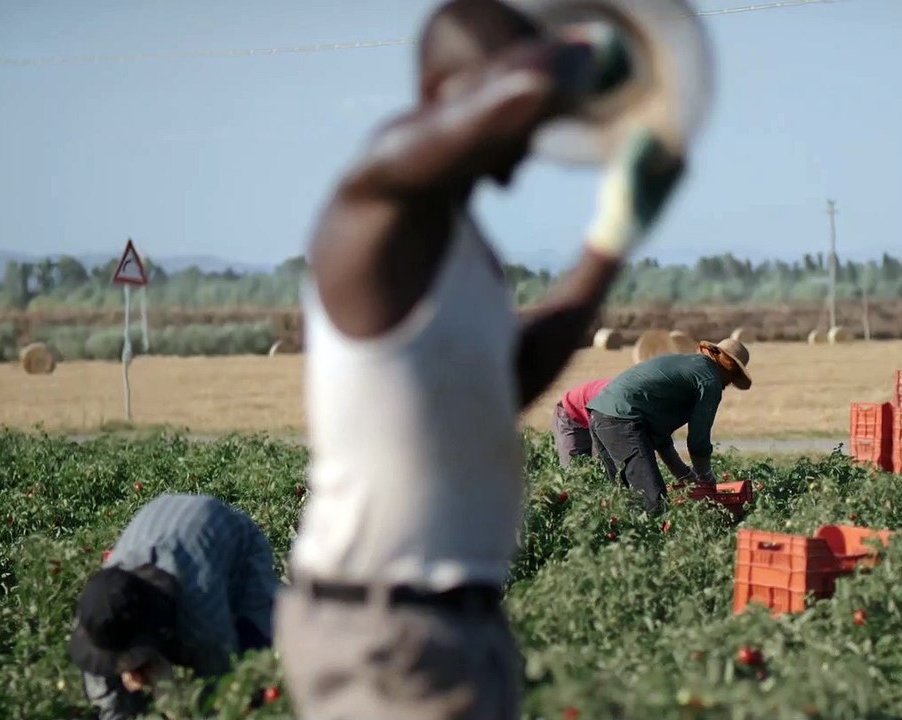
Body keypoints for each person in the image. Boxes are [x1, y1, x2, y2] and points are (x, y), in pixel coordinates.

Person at [275, 0, 688, 717]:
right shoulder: (373, 202)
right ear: (445, 93)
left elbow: (506, 386)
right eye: (526, 111)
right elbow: (529, 88)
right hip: (383, 631)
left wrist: (609, 243)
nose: (537, 133)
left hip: (455, 619)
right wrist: (596, 50)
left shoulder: (468, 254)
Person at [68, 493, 280, 720]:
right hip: (167, 522)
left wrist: (188, 708)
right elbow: (103, 686)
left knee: (253, 653)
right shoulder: (101, 606)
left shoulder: (200, 609)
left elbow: (220, 681)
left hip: (235, 543)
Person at [586, 338, 752, 513]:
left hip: (601, 414)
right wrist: (706, 479)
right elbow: (698, 440)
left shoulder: (689, 367)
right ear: (730, 368)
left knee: (624, 500)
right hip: (621, 420)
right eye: (733, 377)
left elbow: (660, 438)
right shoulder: (710, 379)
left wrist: (685, 475)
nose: (729, 384)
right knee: (654, 502)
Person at [553, 376, 610, 467]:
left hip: (591, 416)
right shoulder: (608, 399)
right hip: (569, 415)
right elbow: (600, 446)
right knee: (573, 467)